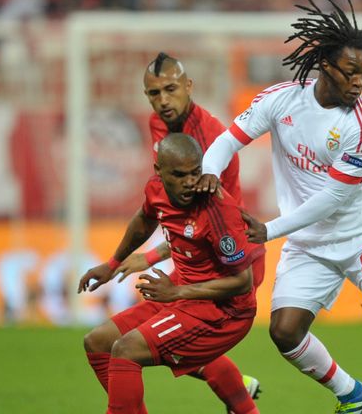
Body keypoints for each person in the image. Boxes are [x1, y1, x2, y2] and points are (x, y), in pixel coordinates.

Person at [196, 0, 362, 414]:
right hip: (309, 243)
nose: (360, 82)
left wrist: (269, 230)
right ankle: (351, 393)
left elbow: (333, 197)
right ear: (325, 64)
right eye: (351, 72)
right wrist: (210, 170)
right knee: (284, 333)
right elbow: (227, 141)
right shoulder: (281, 100)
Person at [111, 52, 262, 412]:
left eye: (170, 89)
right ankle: (240, 391)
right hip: (195, 257)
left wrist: (150, 257)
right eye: (154, 93)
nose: (163, 100)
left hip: (225, 258)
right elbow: (174, 215)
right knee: (150, 337)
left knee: (147, 341)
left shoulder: (211, 140)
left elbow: (209, 223)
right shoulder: (159, 127)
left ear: (188, 86)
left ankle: (238, 389)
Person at [79, 133, 264, 414]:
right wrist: (112, 263)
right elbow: (145, 219)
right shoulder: (156, 190)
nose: (190, 181)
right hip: (184, 294)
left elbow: (242, 282)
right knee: (98, 342)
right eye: (179, 174)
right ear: (159, 171)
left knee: (127, 350)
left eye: (195, 173)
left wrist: (175, 292)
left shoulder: (217, 209)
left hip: (224, 313)